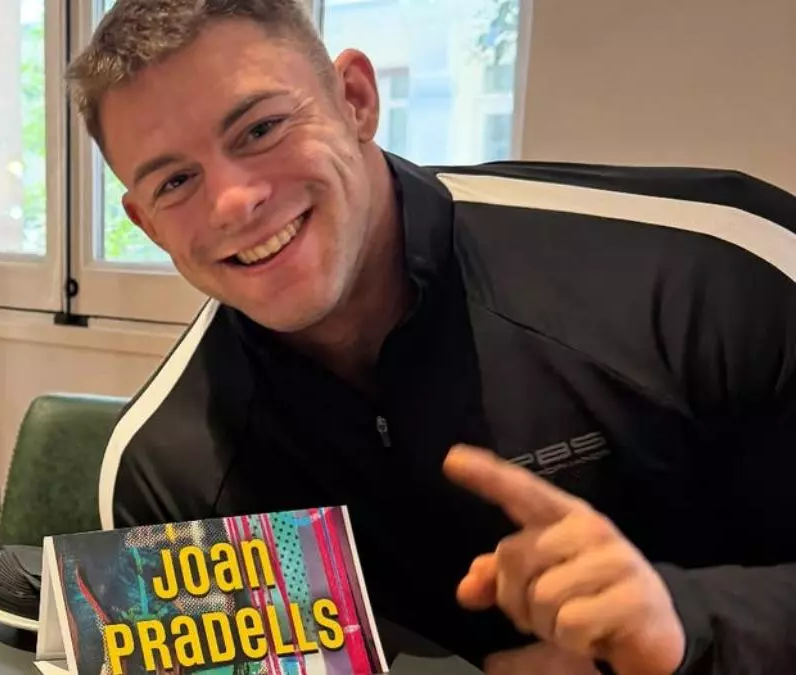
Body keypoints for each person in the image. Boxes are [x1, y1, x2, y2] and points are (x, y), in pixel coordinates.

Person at [64, 1, 796, 673]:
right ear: (147, 223)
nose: (233, 202)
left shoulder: (715, 272)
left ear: (355, 99)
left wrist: (682, 629)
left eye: (260, 130)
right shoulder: (163, 472)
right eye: (175, 182)